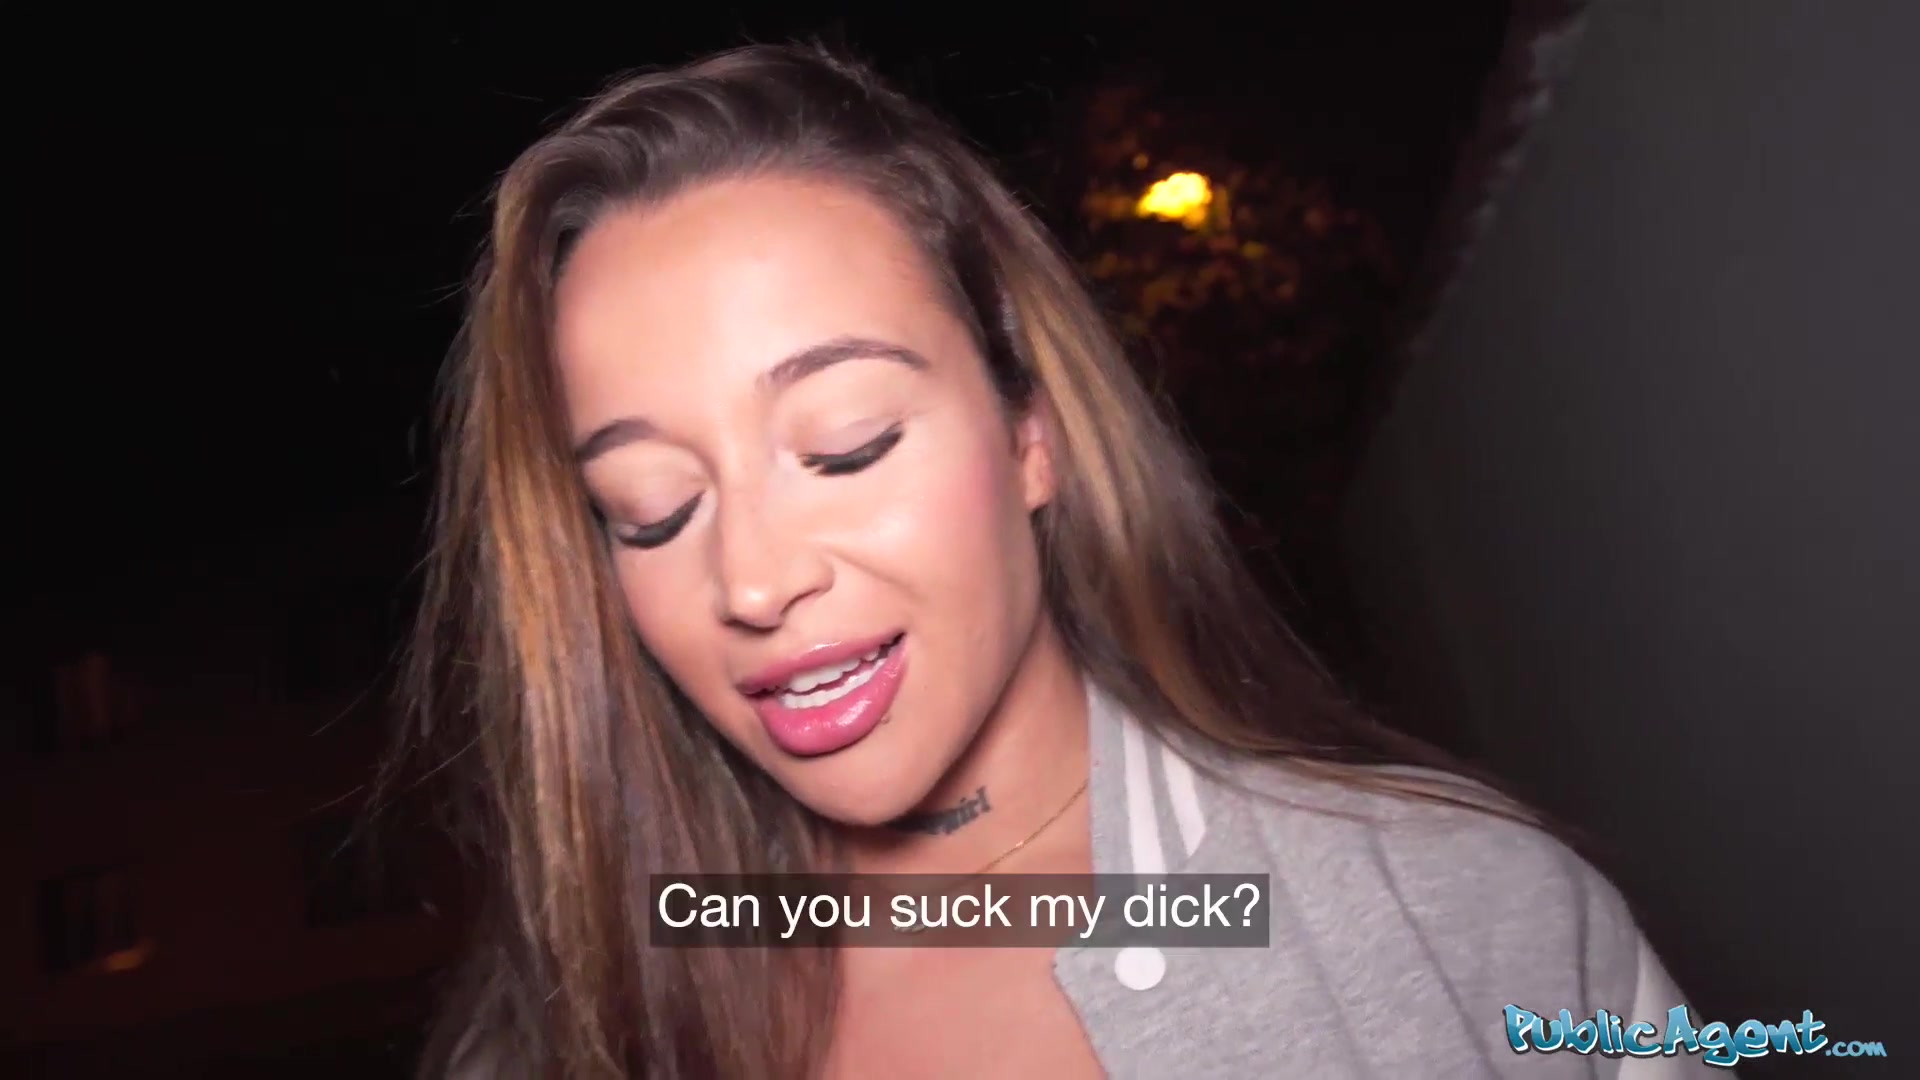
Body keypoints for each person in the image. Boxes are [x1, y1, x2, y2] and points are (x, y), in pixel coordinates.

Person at [400, 42, 1715, 1078]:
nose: (752, 581)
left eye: (848, 445)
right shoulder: (559, 1030)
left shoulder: (1461, 913)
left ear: (1031, 434)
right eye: (650, 511)